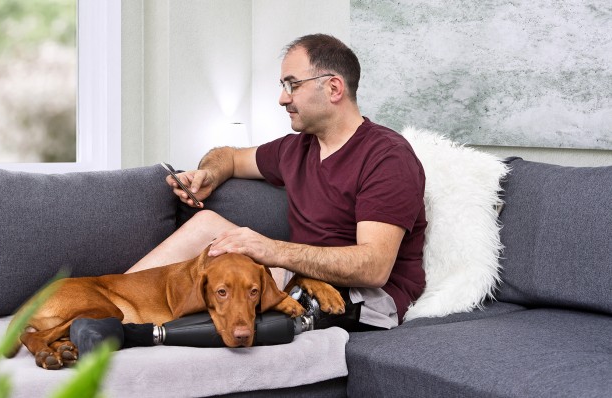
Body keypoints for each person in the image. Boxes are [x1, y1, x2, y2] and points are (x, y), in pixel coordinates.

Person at [71, 33, 427, 352]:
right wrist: (208, 174)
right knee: (208, 222)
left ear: (333, 88)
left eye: (292, 84)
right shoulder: (297, 148)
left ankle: (131, 335)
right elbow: (229, 156)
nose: (281, 98)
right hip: (296, 275)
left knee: (256, 310)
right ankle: (102, 308)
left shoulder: (387, 157)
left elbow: (374, 268)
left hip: (366, 298)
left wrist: (270, 250)